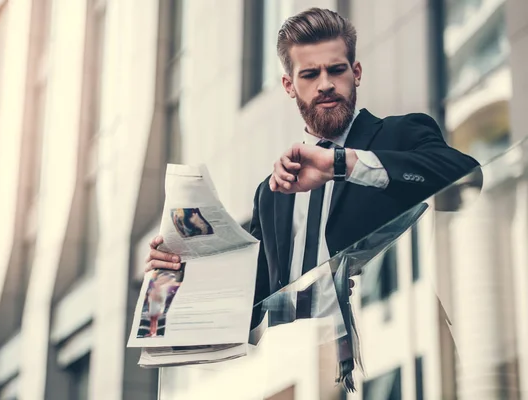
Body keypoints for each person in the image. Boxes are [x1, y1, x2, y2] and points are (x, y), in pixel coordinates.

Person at [145, 8, 479, 327]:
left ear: (356, 73)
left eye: (336, 70)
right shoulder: (272, 194)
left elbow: (464, 173)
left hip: (400, 345)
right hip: (300, 369)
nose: (325, 85)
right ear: (289, 86)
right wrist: (181, 277)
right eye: (309, 74)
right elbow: (252, 304)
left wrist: (340, 163)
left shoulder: (400, 134)